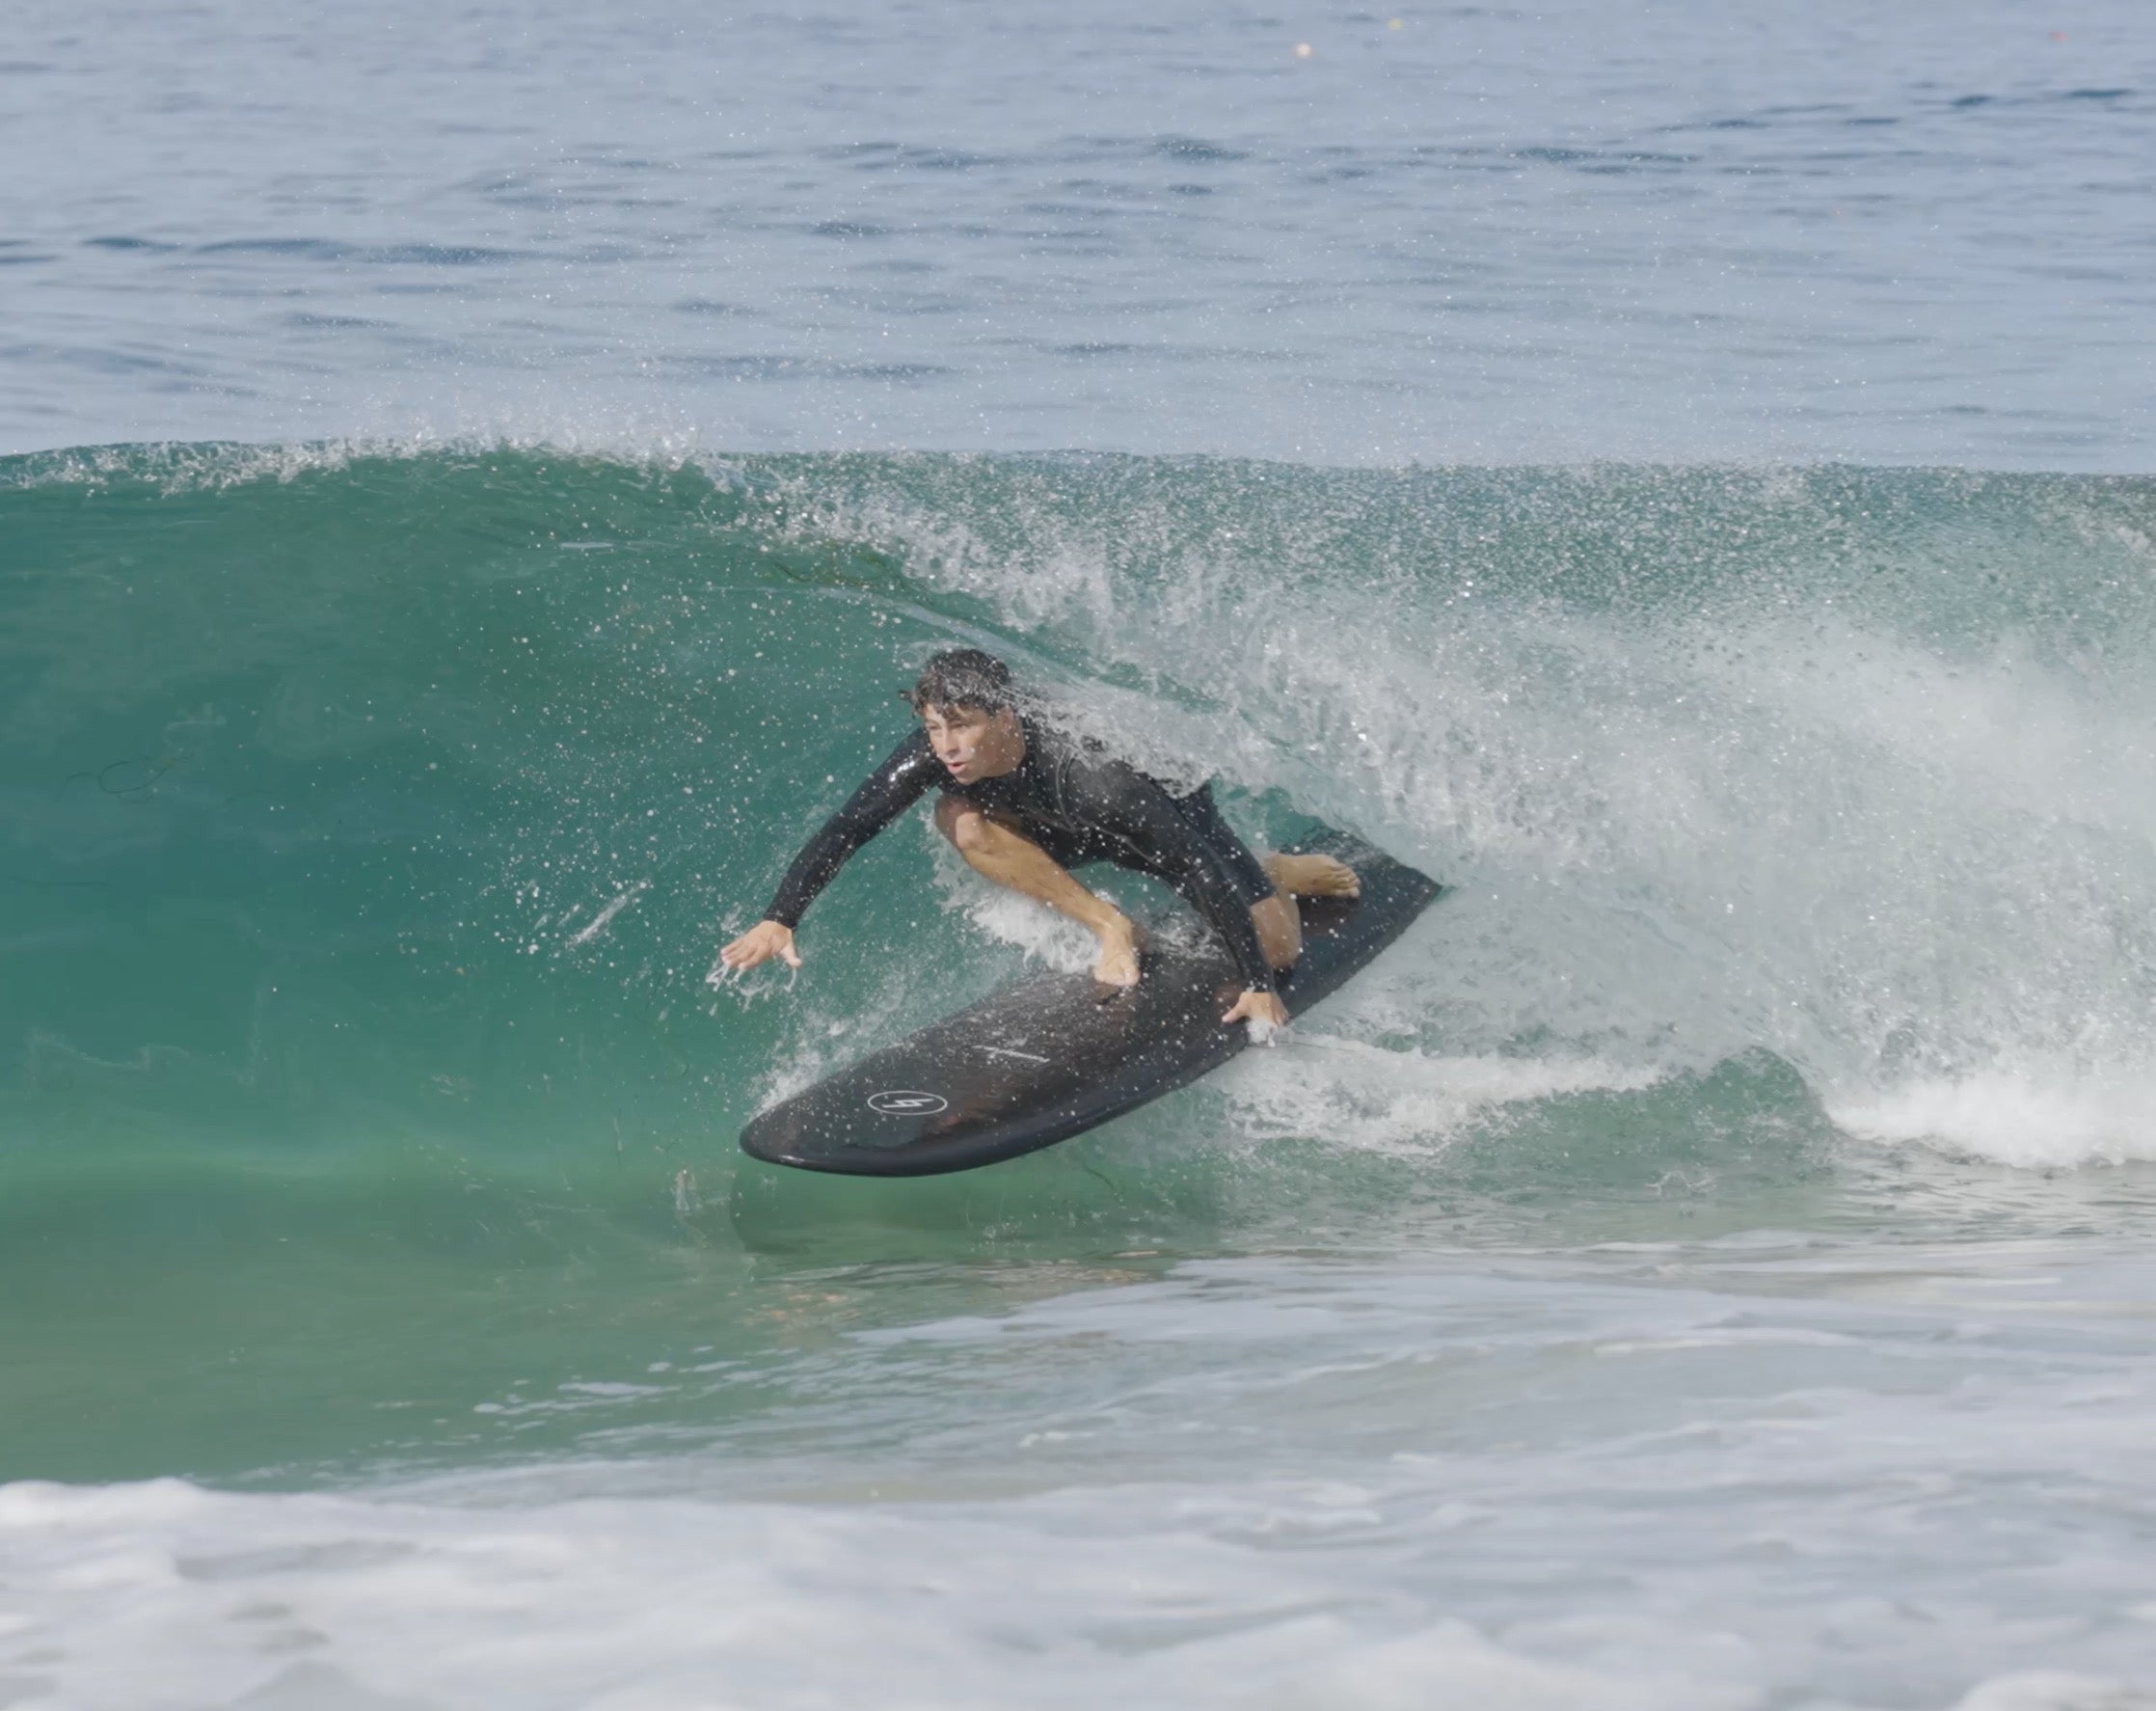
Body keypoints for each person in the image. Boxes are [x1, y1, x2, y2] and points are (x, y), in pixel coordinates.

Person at [716, 649, 1360, 1030]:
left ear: (1004, 716)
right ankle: (1111, 926)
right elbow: (850, 825)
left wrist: (1257, 986)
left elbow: (1194, 863)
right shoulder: (937, 754)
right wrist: (782, 916)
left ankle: (1273, 871)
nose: (946, 746)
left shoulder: (1096, 774)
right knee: (959, 817)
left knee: (1277, 951)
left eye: (961, 726)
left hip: (1170, 824)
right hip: (1055, 824)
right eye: (934, 727)